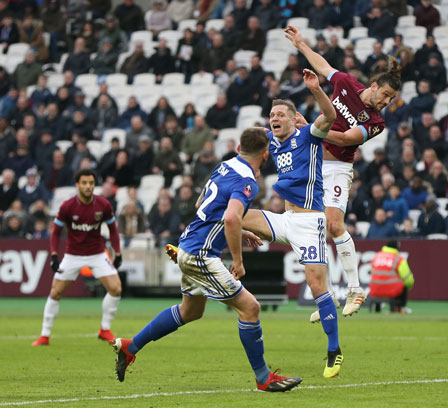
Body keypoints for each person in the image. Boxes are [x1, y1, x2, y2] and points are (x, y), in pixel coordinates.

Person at [113, 128, 302, 392]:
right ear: (265, 153)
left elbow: (202, 204)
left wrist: (239, 230)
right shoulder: (247, 181)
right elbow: (231, 218)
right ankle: (263, 378)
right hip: (201, 254)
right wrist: (238, 259)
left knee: (190, 311)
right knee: (250, 308)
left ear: (238, 149)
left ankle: (130, 347)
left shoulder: (225, 166)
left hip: (188, 245)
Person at [213, 69, 344, 378]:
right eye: (271, 114)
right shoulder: (271, 140)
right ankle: (203, 252)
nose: (274, 118)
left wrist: (315, 90)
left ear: (293, 118)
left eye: (280, 114)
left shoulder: (310, 134)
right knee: (232, 215)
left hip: (310, 221)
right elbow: (249, 142)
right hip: (284, 219)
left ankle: (334, 351)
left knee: (316, 286)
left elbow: (329, 114)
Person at [285, 25, 401, 320]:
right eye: (385, 95)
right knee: (309, 229)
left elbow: (348, 139)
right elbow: (323, 66)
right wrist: (301, 45)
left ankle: (355, 289)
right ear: (373, 85)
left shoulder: (376, 122)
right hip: (313, 162)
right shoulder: (347, 82)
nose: (386, 103)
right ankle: (325, 300)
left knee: (334, 226)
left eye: (391, 100)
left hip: (337, 167)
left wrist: (311, 130)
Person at [31, 170, 123, 347]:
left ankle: (105, 329)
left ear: (94, 185)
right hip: (73, 255)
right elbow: (56, 232)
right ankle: (45, 335)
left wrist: (117, 253)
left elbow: (113, 230)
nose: (88, 186)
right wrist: (54, 255)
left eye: (91, 183)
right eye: (84, 183)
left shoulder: (103, 205)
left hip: (97, 254)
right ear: (77, 185)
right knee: (55, 292)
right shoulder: (67, 207)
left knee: (116, 288)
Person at [369, 240, 414, 313]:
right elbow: (408, 279)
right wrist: (409, 286)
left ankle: (377, 309)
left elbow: (371, 272)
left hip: (375, 290)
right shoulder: (398, 259)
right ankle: (402, 308)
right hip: (392, 291)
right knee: (404, 285)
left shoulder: (377, 256)